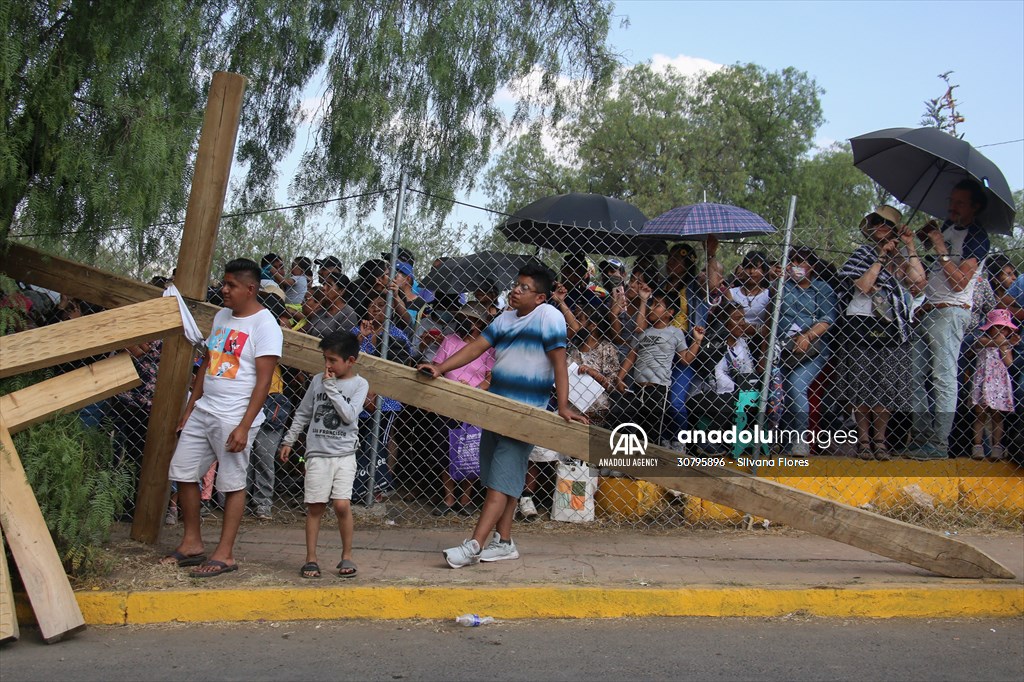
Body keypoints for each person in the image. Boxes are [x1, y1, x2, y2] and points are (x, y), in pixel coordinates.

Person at [417, 263, 588, 568]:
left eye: (525, 287)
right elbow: (476, 348)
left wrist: (563, 405)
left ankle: (473, 546)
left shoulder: (550, 317)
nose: (516, 290)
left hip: (525, 415)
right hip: (495, 409)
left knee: (499, 484)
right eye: (516, 285)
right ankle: (504, 543)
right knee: (503, 481)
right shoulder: (505, 318)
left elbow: (559, 364)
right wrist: (441, 368)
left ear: (540, 298)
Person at [161, 258, 283, 577]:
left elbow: (264, 381)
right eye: (224, 283)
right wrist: (189, 410)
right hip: (205, 410)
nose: (224, 289)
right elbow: (208, 363)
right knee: (184, 472)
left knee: (231, 484)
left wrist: (244, 425)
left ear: (250, 289)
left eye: (231, 285)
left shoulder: (265, 325)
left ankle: (225, 554)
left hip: (235, 416)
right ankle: (191, 544)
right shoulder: (221, 316)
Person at [835, 207, 925, 459]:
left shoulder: (899, 259)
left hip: (891, 326)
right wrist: (880, 259)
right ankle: (863, 440)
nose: (881, 227)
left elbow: (918, 282)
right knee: (861, 385)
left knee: (885, 386)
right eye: (877, 222)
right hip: (860, 324)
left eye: (887, 224)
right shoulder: (861, 254)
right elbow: (863, 286)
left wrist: (910, 247)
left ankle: (880, 440)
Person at [910, 179, 991, 459]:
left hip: (951, 310)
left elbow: (959, 282)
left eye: (960, 203)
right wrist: (915, 239)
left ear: (974, 207)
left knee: (943, 376)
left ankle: (939, 443)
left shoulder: (978, 237)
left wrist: (939, 245)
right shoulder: (946, 227)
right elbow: (921, 265)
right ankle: (920, 437)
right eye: (951, 201)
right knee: (915, 376)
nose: (952, 207)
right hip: (928, 308)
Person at [279, 331, 368, 578]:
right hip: (317, 453)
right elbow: (304, 412)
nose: (327, 366)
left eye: (333, 360)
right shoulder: (318, 380)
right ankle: (311, 558)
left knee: (341, 504)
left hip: (344, 454)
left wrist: (331, 388)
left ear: (351, 361)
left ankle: (347, 555)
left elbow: (349, 415)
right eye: (325, 359)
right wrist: (290, 439)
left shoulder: (359, 384)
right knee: (315, 506)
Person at [428, 303, 495, 516]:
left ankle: (465, 499)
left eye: (470, 319)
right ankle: (449, 499)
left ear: (480, 324)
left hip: (473, 403)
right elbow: (437, 367)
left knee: (470, 450)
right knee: (446, 451)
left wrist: (473, 390)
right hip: (448, 402)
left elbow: (490, 378)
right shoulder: (449, 341)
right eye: (463, 318)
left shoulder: (487, 348)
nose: (465, 322)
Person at [615, 291, 705, 447]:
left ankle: (650, 464)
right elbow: (631, 356)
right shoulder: (643, 332)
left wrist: (697, 341)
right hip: (638, 388)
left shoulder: (675, 333)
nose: (651, 308)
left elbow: (685, 359)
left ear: (669, 313)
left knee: (653, 431)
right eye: (652, 304)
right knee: (636, 427)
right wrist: (620, 377)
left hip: (658, 389)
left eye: (657, 305)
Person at [772, 246, 837, 456]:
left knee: (795, 386)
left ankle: (801, 439)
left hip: (813, 350)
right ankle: (786, 442)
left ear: (812, 267)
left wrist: (808, 336)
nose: (795, 267)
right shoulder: (783, 286)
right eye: (792, 262)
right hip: (784, 349)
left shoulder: (822, 288)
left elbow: (827, 319)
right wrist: (777, 281)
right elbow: (771, 306)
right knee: (786, 394)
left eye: (801, 263)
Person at [351, 293, 413, 501]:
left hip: (386, 399)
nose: (376, 309)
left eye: (381, 305)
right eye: (372, 305)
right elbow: (346, 355)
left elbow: (404, 362)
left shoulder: (397, 334)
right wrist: (362, 336)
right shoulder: (358, 331)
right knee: (358, 439)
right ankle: (356, 482)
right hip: (358, 396)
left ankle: (380, 484)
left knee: (381, 440)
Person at [971, 310, 1017, 460]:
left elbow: (1009, 363)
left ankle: (996, 448)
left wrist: (1005, 346)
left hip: (999, 385)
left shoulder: (1005, 345)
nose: (1001, 331)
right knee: (980, 414)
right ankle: (977, 447)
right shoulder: (982, 341)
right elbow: (982, 345)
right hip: (983, 383)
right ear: (989, 327)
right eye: (997, 326)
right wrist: (1005, 342)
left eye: (1004, 328)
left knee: (997, 416)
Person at [304, 271, 359, 339]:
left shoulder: (348, 314)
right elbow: (305, 331)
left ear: (341, 291)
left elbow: (341, 343)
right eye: (324, 284)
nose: (324, 288)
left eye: (329, 285)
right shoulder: (321, 311)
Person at [726, 251, 772, 331]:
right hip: (734, 338)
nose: (751, 272)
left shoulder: (768, 295)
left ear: (764, 271)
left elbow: (767, 328)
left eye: (756, 268)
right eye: (748, 267)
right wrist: (758, 329)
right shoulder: (731, 293)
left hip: (759, 340)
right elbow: (728, 323)